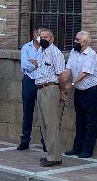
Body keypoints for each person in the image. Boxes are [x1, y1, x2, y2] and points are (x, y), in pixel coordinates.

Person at [63, 30, 97, 159]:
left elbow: (84, 73)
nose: (75, 42)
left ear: (84, 42)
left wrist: (71, 84)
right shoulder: (74, 52)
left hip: (91, 91)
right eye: (75, 39)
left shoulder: (91, 54)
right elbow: (68, 69)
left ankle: (87, 149)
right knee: (79, 121)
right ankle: (77, 147)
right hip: (79, 91)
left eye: (77, 40)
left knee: (91, 122)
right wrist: (62, 82)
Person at [31, 28, 65, 168]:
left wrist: (62, 91)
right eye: (41, 37)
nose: (42, 39)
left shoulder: (56, 53)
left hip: (50, 89)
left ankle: (55, 157)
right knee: (44, 123)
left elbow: (61, 75)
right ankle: (50, 153)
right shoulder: (41, 51)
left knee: (51, 124)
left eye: (46, 37)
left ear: (51, 39)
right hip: (40, 88)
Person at [17, 28, 45, 152]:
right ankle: (25, 140)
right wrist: (38, 64)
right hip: (29, 81)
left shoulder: (46, 48)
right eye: (38, 35)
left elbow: (47, 65)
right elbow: (24, 65)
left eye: (42, 35)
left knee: (44, 113)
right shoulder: (26, 48)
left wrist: (36, 64)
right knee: (27, 111)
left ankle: (45, 141)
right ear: (33, 35)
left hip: (43, 81)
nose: (39, 37)